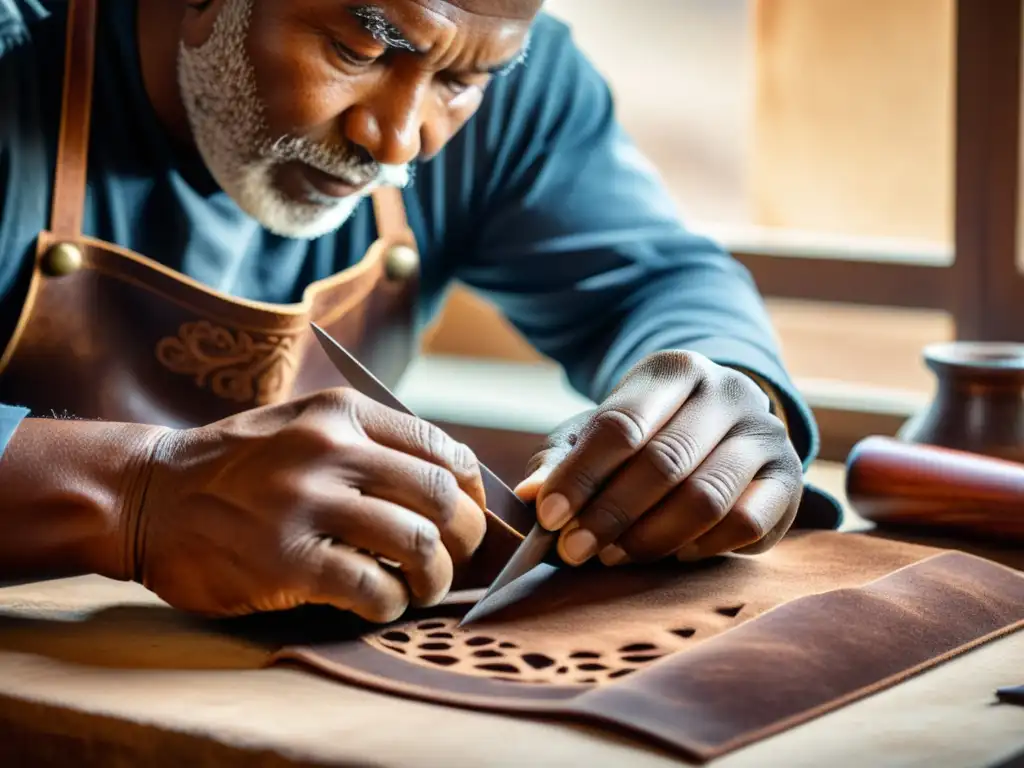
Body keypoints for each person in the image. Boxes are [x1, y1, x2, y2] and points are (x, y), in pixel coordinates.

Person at [0, 0, 839, 623]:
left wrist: (724, 393)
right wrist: (134, 495)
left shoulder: (506, 76)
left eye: (461, 83)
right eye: (355, 49)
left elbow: (659, 280)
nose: (400, 139)